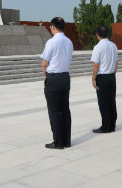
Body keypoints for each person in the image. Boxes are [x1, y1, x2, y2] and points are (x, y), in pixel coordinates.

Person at [41, 17, 73, 149]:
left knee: (54, 111)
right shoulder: (69, 42)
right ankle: (66, 141)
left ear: (53, 27)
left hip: (54, 78)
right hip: (65, 77)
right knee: (65, 110)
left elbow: (44, 62)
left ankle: (58, 142)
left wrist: (45, 75)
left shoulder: (51, 42)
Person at [91, 25, 119, 133]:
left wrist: (94, 79)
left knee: (103, 102)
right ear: (108, 34)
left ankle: (106, 126)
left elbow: (96, 65)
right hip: (111, 76)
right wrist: (113, 74)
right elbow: (116, 62)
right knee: (111, 101)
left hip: (102, 77)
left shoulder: (98, 47)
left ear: (97, 35)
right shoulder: (113, 45)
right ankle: (112, 124)